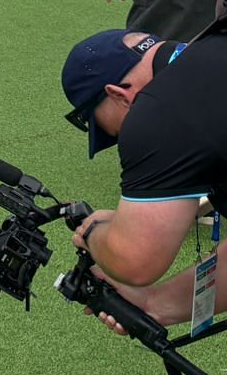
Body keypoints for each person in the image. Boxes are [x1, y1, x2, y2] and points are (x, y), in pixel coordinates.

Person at [59, 23, 227, 332]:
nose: (123, 135)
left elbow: (134, 261)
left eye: (116, 132)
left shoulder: (159, 111)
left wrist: (95, 231)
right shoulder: (210, 48)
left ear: (118, 95)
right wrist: (154, 304)